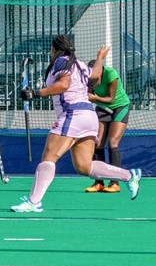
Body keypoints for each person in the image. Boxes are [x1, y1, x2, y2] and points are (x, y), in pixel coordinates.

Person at [11, 35, 141, 213]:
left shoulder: (61, 62)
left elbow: (63, 85)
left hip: (73, 114)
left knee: (49, 157)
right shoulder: (79, 64)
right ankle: (129, 175)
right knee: (84, 166)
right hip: (89, 117)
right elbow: (96, 72)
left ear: (54, 49)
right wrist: (100, 57)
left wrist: (36, 93)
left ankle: (34, 202)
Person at [85, 60, 131, 193]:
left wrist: (93, 97)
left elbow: (111, 99)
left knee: (112, 142)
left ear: (100, 72)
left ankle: (115, 183)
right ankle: (98, 182)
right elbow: (88, 94)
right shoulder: (88, 77)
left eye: (94, 80)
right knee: (97, 143)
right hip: (102, 107)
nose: (92, 83)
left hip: (120, 107)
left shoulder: (111, 74)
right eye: (90, 80)